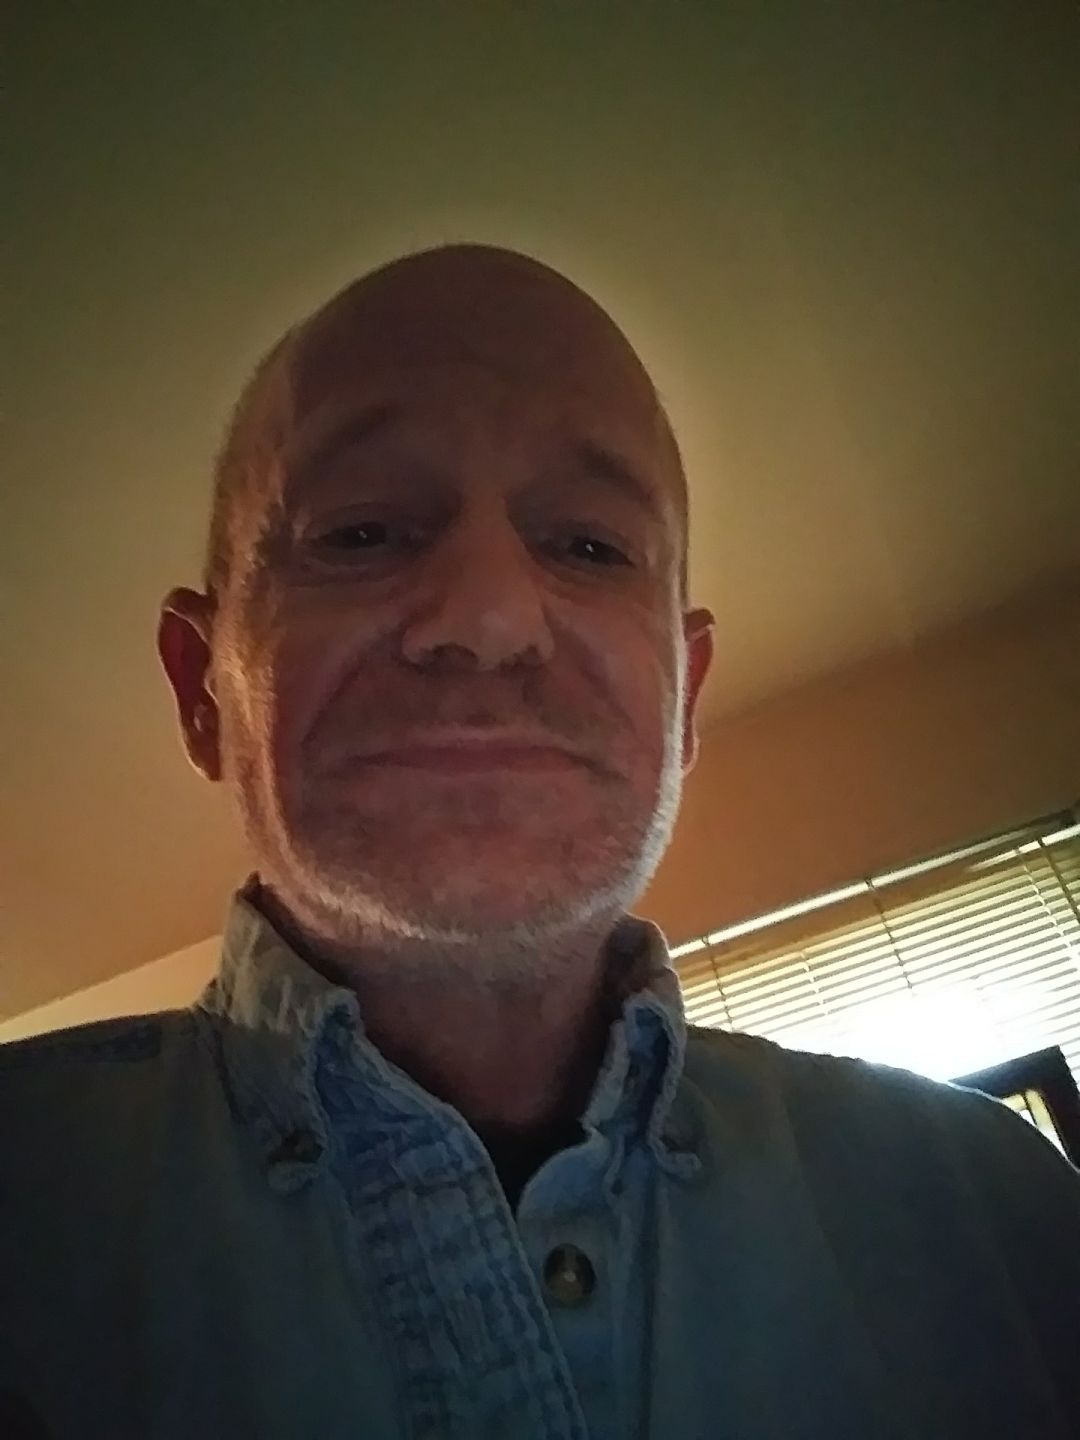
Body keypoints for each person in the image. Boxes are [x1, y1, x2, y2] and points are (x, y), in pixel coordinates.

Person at [2, 246, 1078, 1440]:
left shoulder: (1010, 1220)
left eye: (591, 547)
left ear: (684, 702)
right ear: (202, 687)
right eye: (361, 532)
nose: (487, 616)